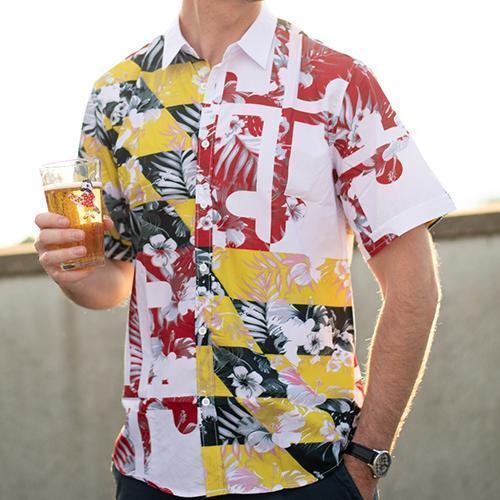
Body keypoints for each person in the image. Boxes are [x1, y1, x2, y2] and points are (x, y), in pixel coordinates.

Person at [34, 0, 456, 499]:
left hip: (309, 470)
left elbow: (415, 287)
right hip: (154, 468)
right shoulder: (116, 94)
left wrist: (366, 461)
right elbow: (117, 277)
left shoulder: (338, 83)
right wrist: (77, 275)